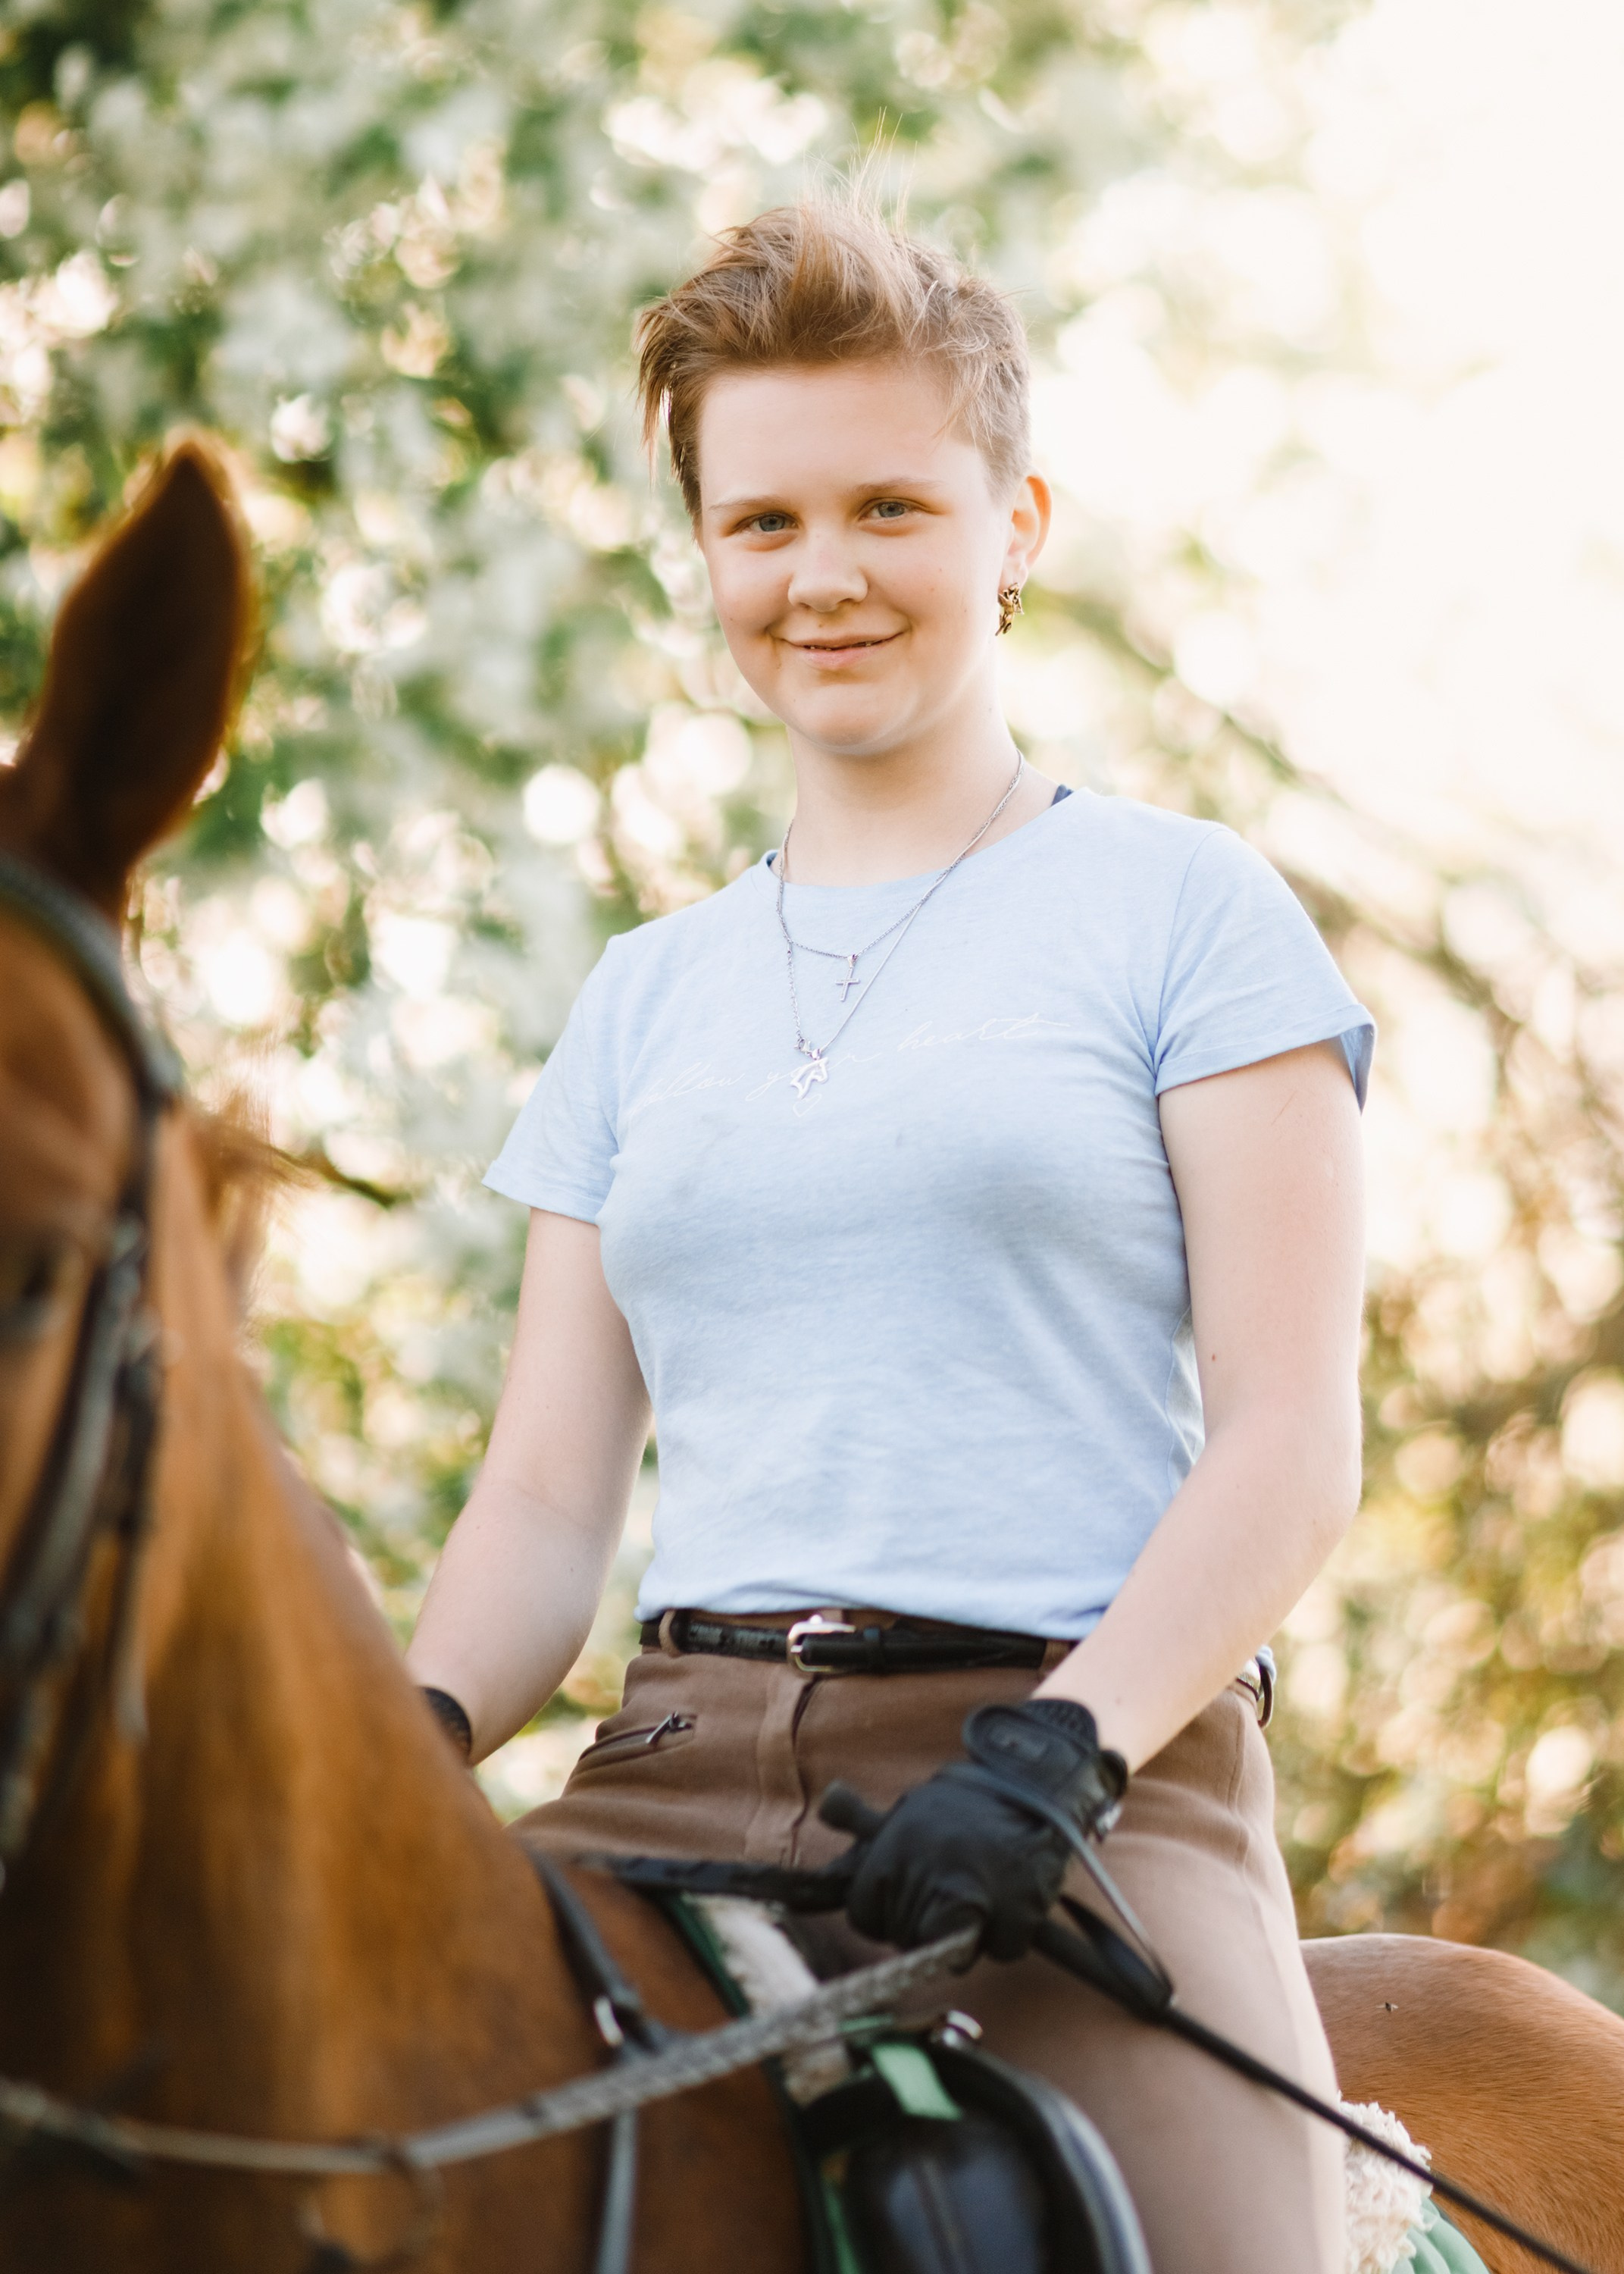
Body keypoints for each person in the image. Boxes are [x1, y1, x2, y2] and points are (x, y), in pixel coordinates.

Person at [406, 199, 1372, 2270]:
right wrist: (402, 1739)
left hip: (1070, 1788)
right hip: (664, 1777)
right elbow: (547, 1499)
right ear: (705, 556)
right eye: (760, 524)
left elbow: (1292, 1441)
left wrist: (1068, 1756)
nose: (820, 576)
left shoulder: (1187, 912)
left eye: (886, 508)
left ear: (1015, 521)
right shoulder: (641, 997)